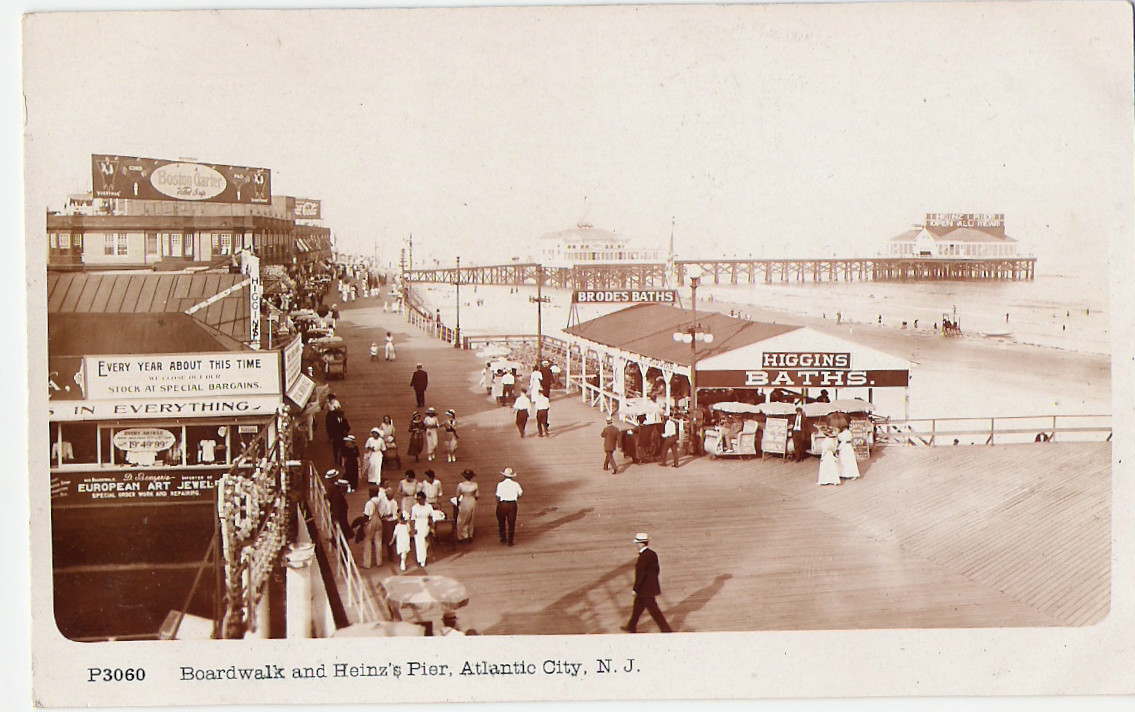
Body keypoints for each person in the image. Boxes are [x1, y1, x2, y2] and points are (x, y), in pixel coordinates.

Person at [620, 533, 672, 633]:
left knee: (654, 611)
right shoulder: (652, 554)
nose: (636, 545)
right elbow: (656, 570)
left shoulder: (643, 557)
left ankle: (666, 630)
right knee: (637, 608)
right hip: (650, 588)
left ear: (641, 544)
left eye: (637, 543)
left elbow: (640, 575)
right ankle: (631, 626)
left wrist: (635, 589)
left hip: (645, 590)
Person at [360, 486, 388, 568]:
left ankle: (367, 563)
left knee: (368, 541)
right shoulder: (381, 501)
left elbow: (367, 514)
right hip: (379, 520)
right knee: (378, 542)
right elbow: (383, 512)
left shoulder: (369, 503)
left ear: (371, 494)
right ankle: (379, 561)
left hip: (371, 521)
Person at [495, 467, 523, 546]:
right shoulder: (516, 484)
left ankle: (503, 537)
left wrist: (499, 504)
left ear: (504, 476)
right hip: (512, 504)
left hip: (503, 504)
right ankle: (510, 540)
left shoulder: (500, 484)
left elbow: (498, 496)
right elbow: (520, 493)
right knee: (511, 523)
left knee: (501, 521)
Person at [410, 492, 435, 568]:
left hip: (425, 525)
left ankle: (424, 556)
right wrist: (413, 528)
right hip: (418, 525)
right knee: (419, 544)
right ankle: (421, 560)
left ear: (424, 499)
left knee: (425, 543)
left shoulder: (428, 507)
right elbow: (413, 519)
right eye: (417, 499)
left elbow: (431, 517)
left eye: (420, 499)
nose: (419, 501)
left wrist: (432, 527)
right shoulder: (414, 508)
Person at [455, 469, 479, 542]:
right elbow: (477, 495)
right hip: (472, 501)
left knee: (462, 518)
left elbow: (457, 495)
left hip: (465, 501)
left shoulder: (461, 485)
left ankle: (461, 535)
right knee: (471, 518)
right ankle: (470, 534)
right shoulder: (475, 485)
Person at [325, 399, 350, 464]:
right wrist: (332, 436)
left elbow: (348, 428)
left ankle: (341, 460)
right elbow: (331, 429)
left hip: (342, 437)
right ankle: (336, 458)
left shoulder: (344, 420)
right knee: (335, 449)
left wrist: (345, 432)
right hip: (336, 437)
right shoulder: (333, 420)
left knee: (343, 449)